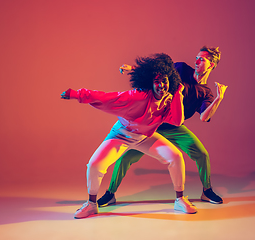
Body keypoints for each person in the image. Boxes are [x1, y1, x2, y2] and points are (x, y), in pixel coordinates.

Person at [61, 53, 197, 219]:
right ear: (150, 83)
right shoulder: (138, 96)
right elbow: (107, 98)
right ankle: (91, 204)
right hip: (121, 135)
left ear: (171, 82)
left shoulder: (170, 99)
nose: (161, 85)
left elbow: (177, 121)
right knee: (94, 165)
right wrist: (78, 94)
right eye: (157, 81)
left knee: (175, 156)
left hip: (145, 137)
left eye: (165, 81)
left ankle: (180, 199)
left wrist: (178, 94)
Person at [97, 46, 228, 207]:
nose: (197, 61)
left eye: (202, 59)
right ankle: (110, 194)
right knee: (125, 157)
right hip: (153, 122)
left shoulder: (205, 93)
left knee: (202, 154)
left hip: (174, 126)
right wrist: (133, 69)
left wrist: (219, 98)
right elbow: (156, 72)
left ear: (212, 65)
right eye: (197, 57)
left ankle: (207, 191)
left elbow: (204, 117)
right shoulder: (180, 69)